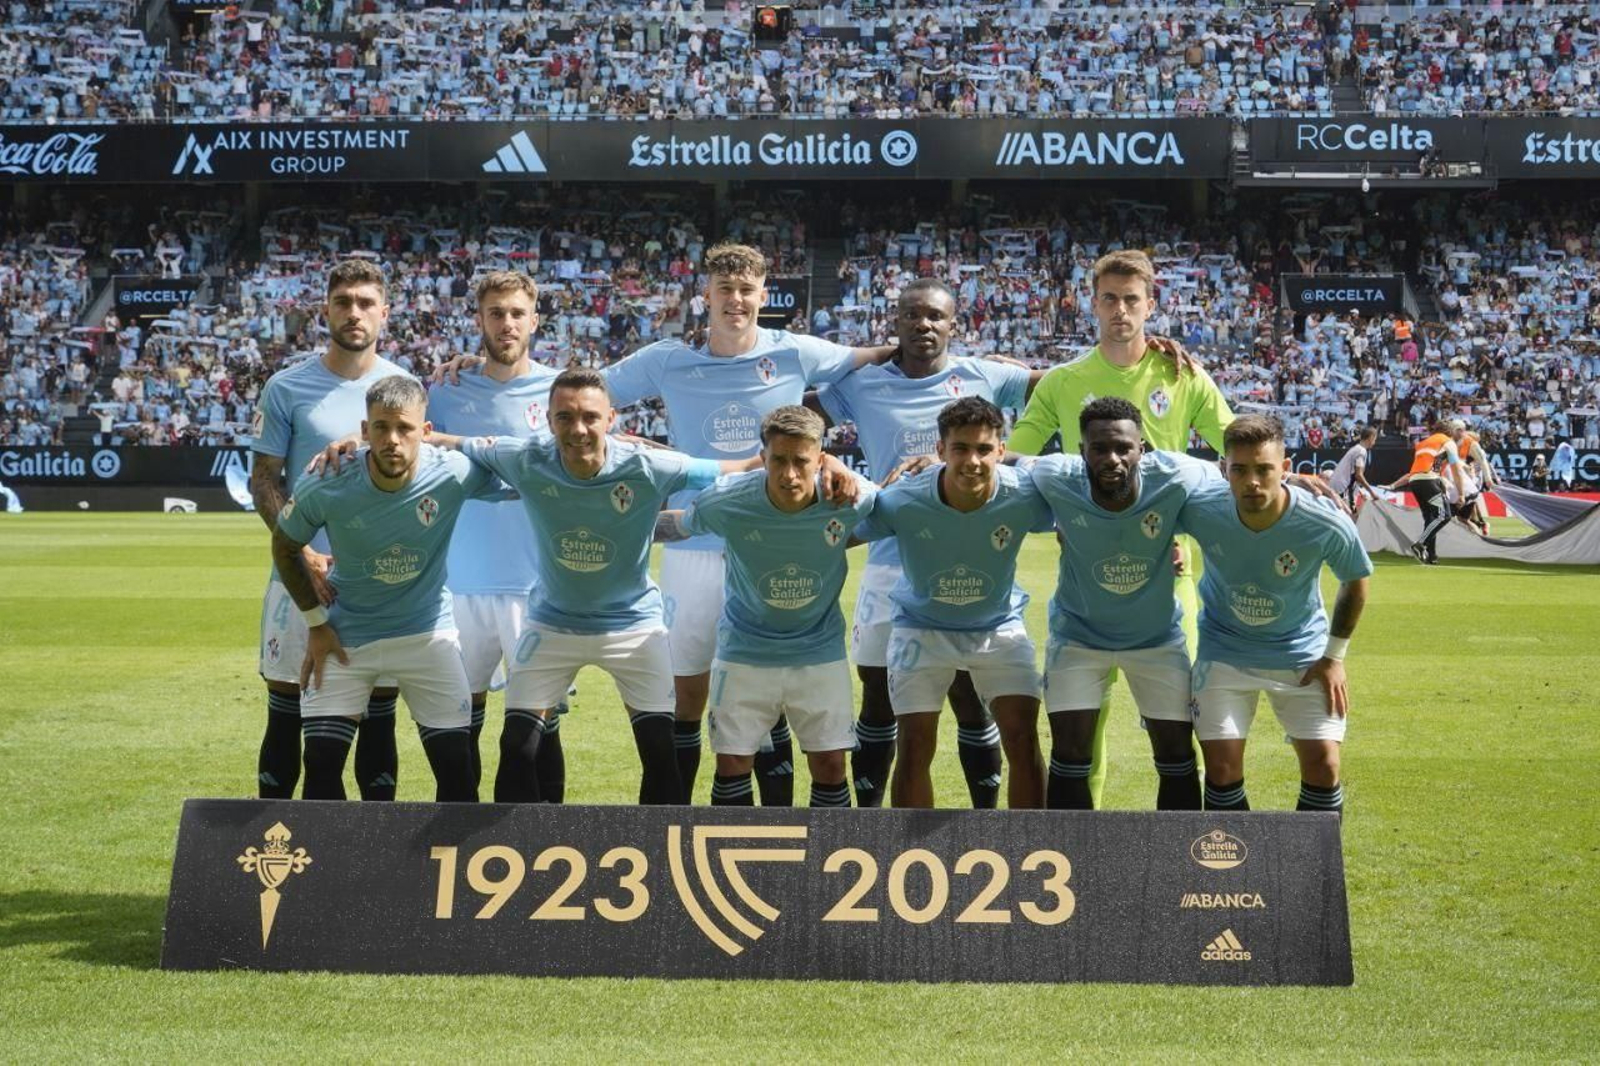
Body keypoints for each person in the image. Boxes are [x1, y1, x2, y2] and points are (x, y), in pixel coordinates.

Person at [429, 368, 859, 805]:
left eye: (590, 417)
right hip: (552, 622)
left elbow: (743, 466)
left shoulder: (648, 465)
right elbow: (445, 443)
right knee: (517, 747)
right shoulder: (524, 457)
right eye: (565, 417)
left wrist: (828, 460)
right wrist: (361, 444)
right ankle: (511, 858)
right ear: (548, 419)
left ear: (611, 418)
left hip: (633, 624)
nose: (578, 429)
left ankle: (657, 865)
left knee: (660, 752)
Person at [601, 243, 895, 805]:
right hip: (697, 543)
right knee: (687, 696)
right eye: (724, 291)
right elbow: (583, 393)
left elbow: (872, 356)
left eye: (746, 291)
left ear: (764, 295)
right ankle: (672, 820)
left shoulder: (794, 352)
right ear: (704, 296)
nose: (735, 301)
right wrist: (637, 449)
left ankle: (776, 825)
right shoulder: (667, 358)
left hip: (776, 538)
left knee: (771, 691)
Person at [1006, 249, 1233, 807]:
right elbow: (1012, 460)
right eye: (1109, 298)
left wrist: (1298, 482)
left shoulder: (1183, 374)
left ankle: (1190, 853)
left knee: (1186, 721)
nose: (1120, 310)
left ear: (1151, 305)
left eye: (1132, 299)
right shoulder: (1063, 381)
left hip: (1171, 568)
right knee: (1085, 723)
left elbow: (1237, 446)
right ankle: (1087, 845)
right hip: (1088, 568)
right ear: (1093, 303)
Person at [811, 278, 1033, 808]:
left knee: (968, 699)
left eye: (936, 316)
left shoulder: (983, 373)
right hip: (887, 561)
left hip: (961, 554)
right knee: (878, 696)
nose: (924, 325)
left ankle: (985, 819)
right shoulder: (863, 384)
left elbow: (1068, 388)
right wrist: (829, 458)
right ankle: (870, 824)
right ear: (896, 321)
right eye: (912, 315)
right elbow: (796, 425)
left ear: (953, 324)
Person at [272, 375, 505, 802]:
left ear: (427, 433)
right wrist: (317, 623)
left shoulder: (453, 472)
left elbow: (521, 471)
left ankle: (444, 867)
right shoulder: (327, 480)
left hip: (428, 634)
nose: (392, 440)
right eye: (381, 427)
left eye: (405, 428)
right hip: (345, 635)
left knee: (458, 767)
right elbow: (285, 546)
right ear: (364, 432)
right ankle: (338, 868)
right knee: (321, 765)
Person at [656, 406, 877, 808]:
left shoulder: (851, 497)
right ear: (764, 456)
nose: (789, 474)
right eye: (778, 460)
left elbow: (898, 511)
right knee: (733, 763)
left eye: (801, 461)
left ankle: (826, 866)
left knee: (830, 765)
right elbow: (680, 524)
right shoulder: (727, 501)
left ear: (820, 458)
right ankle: (731, 866)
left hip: (818, 651)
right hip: (744, 651)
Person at [249, 259, 406, 800]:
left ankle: (372, 853)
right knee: (287, 708)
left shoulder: (402, 388)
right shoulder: (287, 386)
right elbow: (265, 481)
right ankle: (276, 845)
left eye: (366, 303)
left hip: (377, 580)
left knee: (378, 714)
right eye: (344, 302)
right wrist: (301, 554)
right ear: (326, 310)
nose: (354, 312)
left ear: (384, 313)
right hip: (300, 574)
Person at [1028, 397, 1224, 810]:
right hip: (1077, 638)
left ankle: (1177, 866)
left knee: (1177, 757)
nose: (1112, 458)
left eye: (1123, 448)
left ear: (1142, 450)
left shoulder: (1179, 474)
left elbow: (1237, 471)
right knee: (1070, 756)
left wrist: (1292, 479)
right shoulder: (1054, 474)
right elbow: (1001, 461)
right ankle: (1070, 865)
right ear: (1081, 452)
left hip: (1155, 640)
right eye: (1099, 449)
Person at [855, 397, 1052, 809]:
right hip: (920, 628)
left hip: (998, 626)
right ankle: (915, 860)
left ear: (1002, 451)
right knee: (915, 742)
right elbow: (839, 533)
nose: (973, 461)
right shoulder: (902, 500)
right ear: (940, 451)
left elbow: (1083, 515)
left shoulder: (1025, 497)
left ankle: (1029, 850)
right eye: (961, 448)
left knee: (1022, 736)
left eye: (984, 449)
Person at [1180, 414, 1372, 815]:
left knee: (1324, 765)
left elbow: (1355, 579)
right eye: (1240, 470)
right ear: (1224, 470)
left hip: (1302, 652)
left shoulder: (1323, 521)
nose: (1252, 481)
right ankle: (1235, 872)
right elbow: (1154, 508)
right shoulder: (1202, 508)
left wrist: (1334, 656)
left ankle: (1308, 872)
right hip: (1224, 651)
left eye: (1264, 469)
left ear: (1285, 469)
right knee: (1220, 767)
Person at [426, 271, 566, 801]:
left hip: (537, 585)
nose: (506, 323)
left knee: (538, 732)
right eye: (495, 313)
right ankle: (457, 846)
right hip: (459, 582)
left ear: (534, 319)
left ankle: (548, 841)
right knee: (460, 726)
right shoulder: (444, 388)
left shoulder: (559, 391)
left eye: (515, 313)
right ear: (478, 319)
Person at [1386, 417, 1468, 565]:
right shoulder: (1448, 442)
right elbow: (1456, 470)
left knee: (1431, 517)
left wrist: (1394, 485)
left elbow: (1415, 471)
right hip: (1428, 480)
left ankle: (1431, 556)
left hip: (1415, 482)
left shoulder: (1423, 443)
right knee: (1444, 516)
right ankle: (1420, 544)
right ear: (1450, 431)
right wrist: (1461, 494)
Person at [1449, 419, 1495, 536]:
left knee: (1468, 505)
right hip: (1457, 479)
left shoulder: (1471, 443)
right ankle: (1480, 524)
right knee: (1465, 513)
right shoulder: (1449, 441)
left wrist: (1488, 478)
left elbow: (1483, 461)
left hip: (1468, 480)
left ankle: (1481, 524)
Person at [1328, 425, 1379, 510]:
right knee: (1351, 516)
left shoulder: (1356, 448)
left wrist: (1359, 491)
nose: (1374, 442)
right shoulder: (1361, 451)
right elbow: (1358, 475)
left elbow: (1353, 474)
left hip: (1337, 486)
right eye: (1375, 440)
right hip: (1342, 488)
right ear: (1370, 438)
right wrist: (1372, 493)